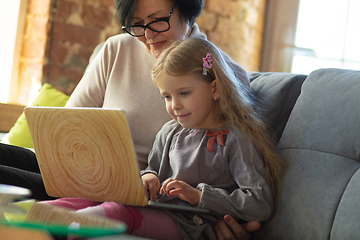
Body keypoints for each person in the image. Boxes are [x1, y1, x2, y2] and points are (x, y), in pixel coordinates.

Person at [0, 0, 266, 238]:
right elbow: (65, 124)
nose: (148, 34)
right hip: (78, 167)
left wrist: (220, 216)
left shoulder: (224, 75)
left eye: (158, 19)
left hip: (130, 191)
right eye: (137, 25)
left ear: (186, 10)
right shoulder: (117, 48)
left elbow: (231, 168)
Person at [44, 37, 282, 240]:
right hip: (159, 208)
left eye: (184, 93)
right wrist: (147, 177)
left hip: (192, 223)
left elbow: (259, 203)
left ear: (215, 88)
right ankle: (31, 217)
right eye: (166, 97)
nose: (175, 105)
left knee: (121, 213)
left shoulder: (236, 139)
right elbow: (152, 170)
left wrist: (199, 195)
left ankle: (76, 228)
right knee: (83, 200)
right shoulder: (170, 131)